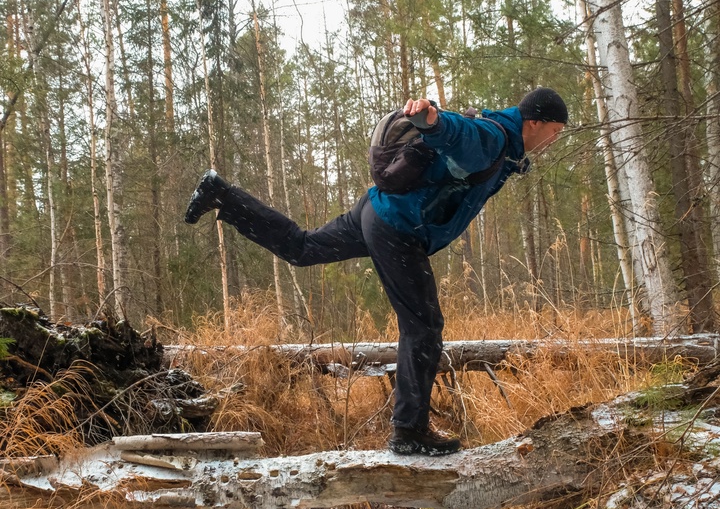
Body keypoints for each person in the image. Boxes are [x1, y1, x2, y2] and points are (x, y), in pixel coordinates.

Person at [184, 87, 568, 456]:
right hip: (398, 227)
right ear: (533, 122)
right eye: (554, 132)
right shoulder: (493, 136)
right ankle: (409, 431)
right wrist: (433, 121)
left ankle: (224, 196)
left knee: (301, 248)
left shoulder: (504, 143)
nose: (554, 141)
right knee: (423, 325)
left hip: (375, 210)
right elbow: (459, 135)